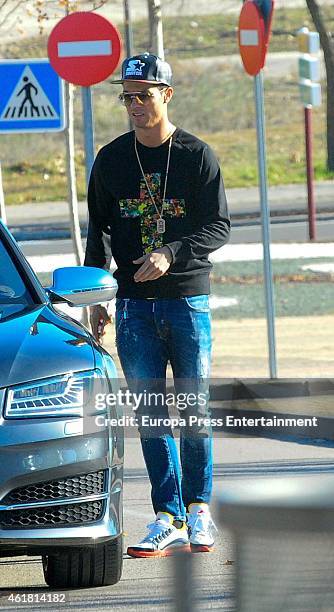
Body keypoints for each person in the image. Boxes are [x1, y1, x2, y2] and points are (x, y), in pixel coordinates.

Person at [84, 53, 230, 558]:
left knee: (193, 410)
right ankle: (166, 515)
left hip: (187, 300)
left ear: (167, 94)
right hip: (132, 306)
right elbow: (98, 230)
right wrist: (96, 296)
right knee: (149, 414)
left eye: (145, 94)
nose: (136, 105)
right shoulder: (112, 159)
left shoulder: (196, 156)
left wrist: (171, 253)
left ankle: (199, 510)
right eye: (128, 96)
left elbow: (219, 226)